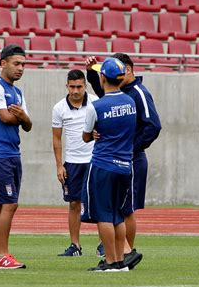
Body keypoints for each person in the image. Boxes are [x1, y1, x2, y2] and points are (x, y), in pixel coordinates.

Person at [85, 54, 162, 269]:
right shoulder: (125, 95)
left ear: (128, 69)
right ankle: (122, 253)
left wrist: (131, 146)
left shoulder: (138, 93)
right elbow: (107, 96)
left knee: (123, 209)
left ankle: (126, 252)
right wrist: (92, 74)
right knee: (122, 209)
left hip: (128, 157)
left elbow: (153, 126)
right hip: (124, 157)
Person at [81, 57, 137, 272]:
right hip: (125, 165)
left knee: (103, 215)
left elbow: (86, 137)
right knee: (117, 215)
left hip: (103, 164)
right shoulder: (130, 102)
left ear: (102, 77)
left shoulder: (96, 106)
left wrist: (95, 134)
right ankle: (121, 261)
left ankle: (111, 261)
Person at [0, 45, 32, 269]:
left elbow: (28, 124)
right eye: (16, 64)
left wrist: (22, 116)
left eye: (23, 64)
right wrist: (20, 117)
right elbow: (5, 117)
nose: (21, 68)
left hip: (12, 152)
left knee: (2, 207)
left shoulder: (18, 92)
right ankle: (3, 254)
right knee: (9, 204)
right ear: (3, 63)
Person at [52, 70, 98, 257]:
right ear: (67, 86)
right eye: (72, 87)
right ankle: (75, 245)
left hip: (95, 160)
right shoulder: (59, 108)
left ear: (85, 86)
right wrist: (59, 165)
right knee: (74, 204)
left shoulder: (95, 102)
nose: (76, 91)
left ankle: (103, 243)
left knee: (100, 203)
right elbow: (56, 139)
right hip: (72, 163)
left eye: (79, 86)